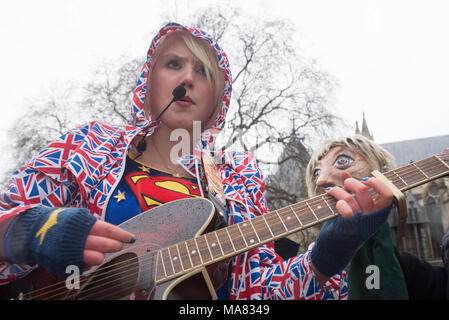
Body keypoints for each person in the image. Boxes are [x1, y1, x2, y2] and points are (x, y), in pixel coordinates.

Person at [0, 23, 392, 300]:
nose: (187, 78)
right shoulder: (86, 147)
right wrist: (27, 230)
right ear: (148, 82)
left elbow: (256, 293)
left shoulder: (237, 176)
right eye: (173, 65)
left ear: (216, 98)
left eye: (202, 71)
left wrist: (329, 254)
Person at [305, 134, 448, 299]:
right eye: (316, 172)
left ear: (384, 173)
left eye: (342, 161)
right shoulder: (295, 265)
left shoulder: (412, 272)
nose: (320, 181)